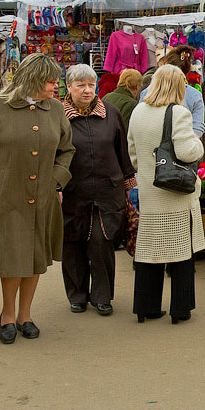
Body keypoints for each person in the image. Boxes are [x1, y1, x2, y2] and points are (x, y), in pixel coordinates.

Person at [0, 53, 76, 344]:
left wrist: (56, 181)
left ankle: (26, 315)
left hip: (43, 197)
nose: (55, 86)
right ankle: (7, 315)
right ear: (33, 79)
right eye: (50, 81)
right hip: (6, 196)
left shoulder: (56, 110)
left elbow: (67, 150)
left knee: (35, 256)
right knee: (12, 256)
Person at [127, 65, 205, 324]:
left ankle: (145, 306)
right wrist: (198, 144)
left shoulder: (138, 111)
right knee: (181, 251)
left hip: (150, 189)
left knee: (149, 249)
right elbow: (186, 152)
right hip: (175, 192)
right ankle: (180, 308)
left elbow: (133, 153)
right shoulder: (179, 113)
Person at [61, 64, 136, 316]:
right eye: (80, 85)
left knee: (101, 243)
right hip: (72, 192)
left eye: (91, 85)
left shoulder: (111, 113)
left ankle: (103, 296)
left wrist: (129, 184)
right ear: (68, 86)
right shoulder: (58, 116)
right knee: (73, 243)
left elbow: (122, 151)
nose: (86, 90)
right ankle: (77, 295)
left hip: (107, 190)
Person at [139, 46, 204, 137]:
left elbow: (139, 122)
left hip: (152, 145)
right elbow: (197, 129)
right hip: (185, 145)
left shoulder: (148, 92)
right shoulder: (194, 95)